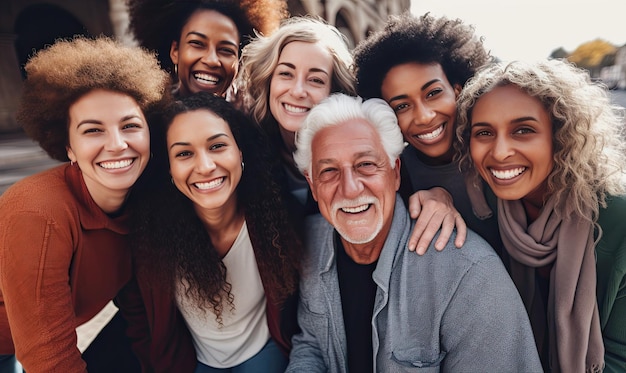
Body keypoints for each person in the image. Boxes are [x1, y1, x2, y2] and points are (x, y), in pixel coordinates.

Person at [286, 93, 542, 372]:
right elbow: (312, 345)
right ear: (312, 185)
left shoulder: (470, 274)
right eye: (329, 171)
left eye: (366, 165)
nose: (350, 188)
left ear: (395, 173)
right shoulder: (309, 242)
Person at [0, 36, 169, 372]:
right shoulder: (38, 212)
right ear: (69, 149)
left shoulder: (143, 205)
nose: (117, 144)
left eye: (130, 125)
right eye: (93, 130)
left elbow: (140, 322)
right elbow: (49, 360)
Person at [239, 15, 466, 252]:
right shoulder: (244, 153)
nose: (298, 91)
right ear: (269, 80)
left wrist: (439, 196)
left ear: (335, 91)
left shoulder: (379, 154)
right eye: (286, 74)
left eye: (315, 79)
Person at [456, 59, 626, 372]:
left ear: (560, 137)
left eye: (523, 130)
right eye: (484, 132)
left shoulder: (618, 219)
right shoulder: (479, 207)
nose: (500, 151)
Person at [117, 92, 301, 372]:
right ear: (169, 168)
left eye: (217, 146)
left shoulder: (278, 220)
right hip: (191, 362)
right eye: (184, 153)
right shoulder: (150, 236)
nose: (205, 166)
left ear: (240, 152)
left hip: (266, 352)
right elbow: (137, 315)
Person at [352, 12, 501, 253]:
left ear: (458, 90)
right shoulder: (395, 176)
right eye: (402, 106)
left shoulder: (499, 149)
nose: (424, 116)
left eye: (433, 93)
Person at [127, 0, 287, 99]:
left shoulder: (255, 125)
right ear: (175, 51)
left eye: (226, 50)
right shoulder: (149, 121)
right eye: (197, 44)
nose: (211, 60)